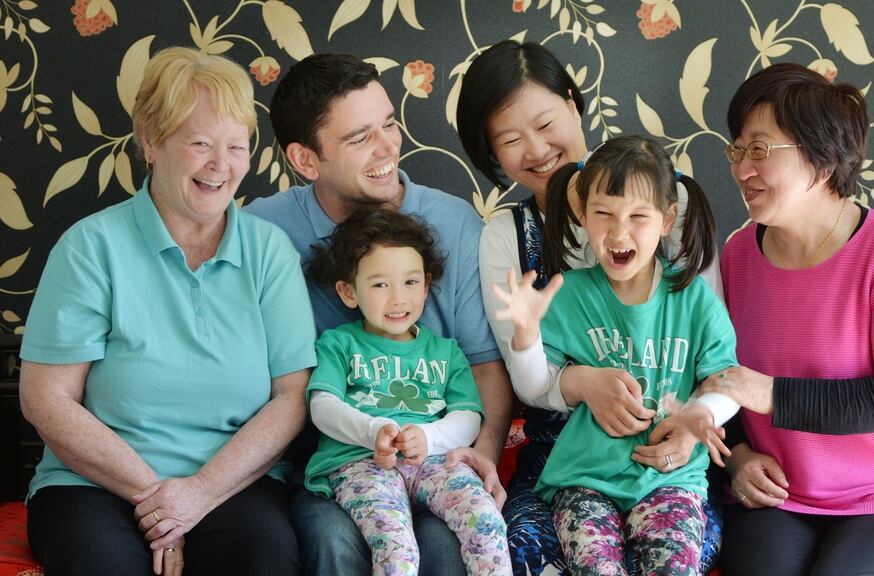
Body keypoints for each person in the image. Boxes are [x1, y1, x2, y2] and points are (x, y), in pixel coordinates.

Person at [18, 47, 315, 576]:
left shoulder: (270, 252)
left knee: (264, 556)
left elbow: (291, 399)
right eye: (199, 143)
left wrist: (199, 492)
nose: (220, 166)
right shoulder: (91, 246)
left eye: (236, 147)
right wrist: (160, 502)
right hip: (93, 485)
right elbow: (46, 398)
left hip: (231, 483)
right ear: (151, 143)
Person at [456, 40, 725, 576]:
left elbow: (708, 353)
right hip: (566, 458)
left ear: (575, 106)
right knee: (533, 550)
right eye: (510, 139)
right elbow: (530, 378)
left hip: (670, 452)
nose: (535, 150)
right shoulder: (505, 237)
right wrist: (583, 383)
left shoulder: (673, 204)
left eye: (546, 122)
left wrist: (697, 427)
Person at [244, 53, 511, 576]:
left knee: (444, 546)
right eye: (359, 137)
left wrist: (482, 453)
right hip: (333, 464)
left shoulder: (454, 224)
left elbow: (482, 367)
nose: (389, 147)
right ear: (306, 160)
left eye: (388, 122)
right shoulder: (263, 233)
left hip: (437, 456)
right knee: (335, 544)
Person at [701, 62, 874, 576]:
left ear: (822, 157)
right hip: (781, 490)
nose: (741, 168)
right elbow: (715, 375)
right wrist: (738, 458)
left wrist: (773, 393)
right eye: (738, 148)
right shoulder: (736, 256)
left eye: (760, 150)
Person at [494, 135, 738, 575]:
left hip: (670, 480)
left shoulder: (693, 299)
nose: (618, 232)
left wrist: (702, 414)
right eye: (603, 214)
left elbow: (726, 378)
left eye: (638, 217)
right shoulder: (570, 295)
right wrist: (526, 334)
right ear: (582, 216)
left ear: (667, 220)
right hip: (584, 480)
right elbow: (533, 387)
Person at [302, 208, 512, 575]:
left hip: (433, 460)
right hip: (362, 463)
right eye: (381, 284)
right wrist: (373, 431)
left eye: (411, 283)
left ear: (426, 285)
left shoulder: (445, 351)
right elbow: (322, 406)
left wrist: (429, 437)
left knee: (487, 522)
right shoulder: (339, 344)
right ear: (349, 292)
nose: (398, 298)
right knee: (397, 548)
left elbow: (468, 416)